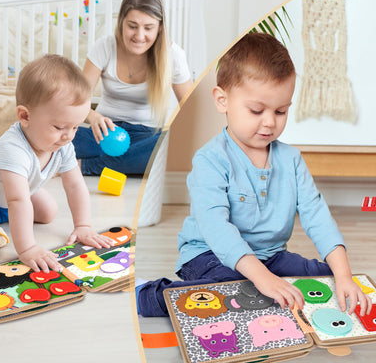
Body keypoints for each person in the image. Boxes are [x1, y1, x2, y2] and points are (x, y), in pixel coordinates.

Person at [136, 32, 372, 317]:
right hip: (209, 255)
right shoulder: (210, 160)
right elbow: (216, 229)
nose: (270, 122)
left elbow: (317, 215)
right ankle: (147, 292)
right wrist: (262, 278)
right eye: (257, 110)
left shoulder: (292, 160)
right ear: (222, 100)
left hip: (271, 256)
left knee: (327, 277)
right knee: (230, 293)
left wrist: (344, 275)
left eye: (281, 111)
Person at [0, 54, 113, 275]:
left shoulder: (62, 144)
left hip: (17, 193)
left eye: (76, 127)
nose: (69, 136)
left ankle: (0, 222)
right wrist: (28, 248)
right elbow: (17, 200)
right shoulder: (12, 149)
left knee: (48, 212)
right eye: (59, 127)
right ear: (24, 116)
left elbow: (75, 186)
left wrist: (83, 226)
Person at [72, 0, 192, 175]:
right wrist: (93, 116)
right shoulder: (105, 47)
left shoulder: (173, 55)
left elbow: (191, 109)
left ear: (160, 28)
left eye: (148, 28)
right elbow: (77, 100)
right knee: (55, 136)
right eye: (132, 26)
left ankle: (83, 166)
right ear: (121, 22)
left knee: (169, 147)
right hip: (104, 133)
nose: (139, 36)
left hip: (147, 137)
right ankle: (122, 164)